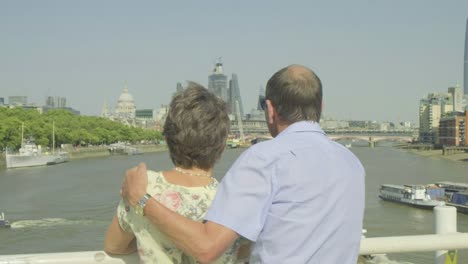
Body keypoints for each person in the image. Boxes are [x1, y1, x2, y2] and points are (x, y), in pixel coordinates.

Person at [121, 64, 365, 263]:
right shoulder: (352, 163)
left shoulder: (265, 158)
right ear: (321, 107)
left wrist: (141, 198)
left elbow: (207, 248)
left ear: (269, 109)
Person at [104, 83, 248, 263]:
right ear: (222, 144)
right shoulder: (232, 198)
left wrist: (148, 239)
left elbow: (114, 246)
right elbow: (242, 251)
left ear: (167, 139)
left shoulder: (141, 186)